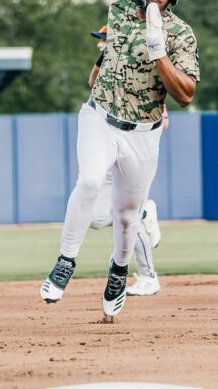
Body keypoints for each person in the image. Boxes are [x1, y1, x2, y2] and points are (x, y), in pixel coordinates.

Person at [40, 0, 199, 318]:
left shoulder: (181, 35)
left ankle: (119, 271)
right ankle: (65, 262)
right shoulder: (119, 12)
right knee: (90, 180)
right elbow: (102, 76)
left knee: (127, 216)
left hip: (143, 133)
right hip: (100, 117)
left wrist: (160, 53)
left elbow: (186, 93)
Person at [88, 25, 164, 296]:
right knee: (97, 218)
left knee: (127, 219)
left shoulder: (142, 76)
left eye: (104, 40)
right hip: (106, 155)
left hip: (132, 155)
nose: (99, 44)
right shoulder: (108, 75)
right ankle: (145, 212)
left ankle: (148, 277)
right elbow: (91, 85)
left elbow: (161, 121)